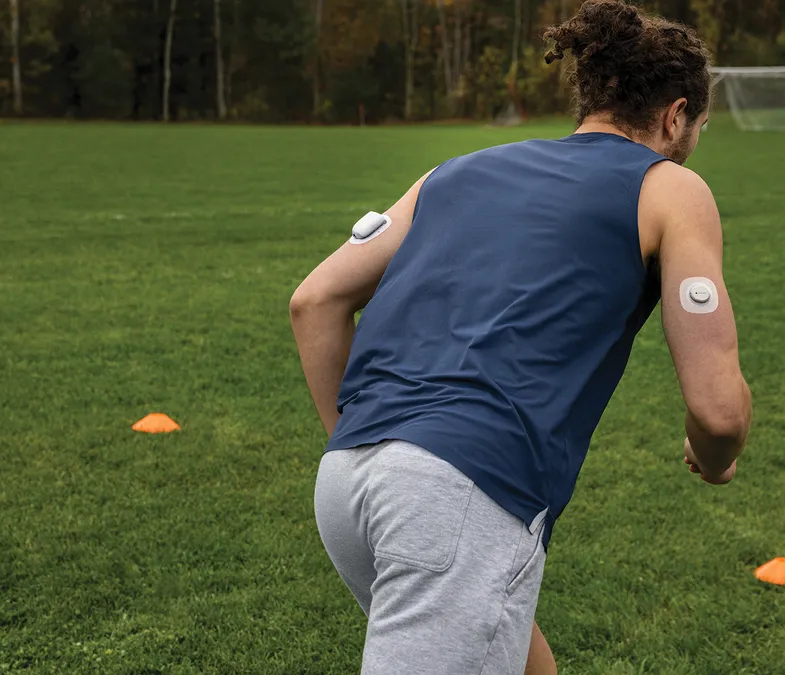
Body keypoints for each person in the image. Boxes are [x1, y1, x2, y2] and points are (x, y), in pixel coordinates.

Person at [290, 1, 752, 673]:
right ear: (676, 115)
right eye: (698, 126)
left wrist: (378, 442)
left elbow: (315, 300)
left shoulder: (454, 171)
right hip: (459, 490)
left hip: (347, 480)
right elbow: (718, 409)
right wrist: (716, 457)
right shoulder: (671, 189)